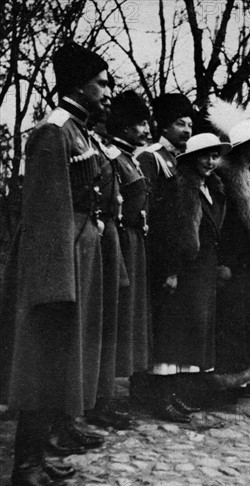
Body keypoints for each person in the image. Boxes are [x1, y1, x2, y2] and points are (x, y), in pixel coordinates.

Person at [0, 41, 110, 486]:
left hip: (75, 255)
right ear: (78, 85)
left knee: (59, 361)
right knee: (40, 361)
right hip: (55, 262)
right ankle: (25, 465)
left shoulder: (80, 131)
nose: (107, 92)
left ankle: (40, 456)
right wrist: (55, 283)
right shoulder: (54, 132)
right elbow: (46, 212)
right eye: (101, 84)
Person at [151, 133, 229, 410]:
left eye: (215, 156)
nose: (211, 161)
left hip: (204, 268)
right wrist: (171, 271)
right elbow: (169, 233)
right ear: (192, 158)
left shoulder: (213, 188)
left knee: (193, 329)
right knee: (173, 331)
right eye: (206, 156)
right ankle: (162, 397)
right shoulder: (178, 187)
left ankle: (179, 394)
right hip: (183, 268)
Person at [207, 101, 250, 394]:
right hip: (233, 256)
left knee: (248, 316)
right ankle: (226, 378)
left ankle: (248, 374)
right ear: (241, 145)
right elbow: (221, 222)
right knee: (230, 317)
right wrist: (225, 261)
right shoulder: (224, 172)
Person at [136, 93, 194, 422]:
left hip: (177, 256)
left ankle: (167, 392)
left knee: (172, 327)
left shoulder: (180, 160)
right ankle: (152, 394)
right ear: (163, 126)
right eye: (178, 123)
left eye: (188, 124)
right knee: (158, 326)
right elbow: (153, 217)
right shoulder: (152, 158)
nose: (185, 130)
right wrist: (166, 266)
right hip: (158, 256)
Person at [100, 90, 152, 427]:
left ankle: (105, 397)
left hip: (134, 244)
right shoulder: (113, 156)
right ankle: (99, 400)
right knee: (111, 322)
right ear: (125, 126)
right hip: (117, 241)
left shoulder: (131, 157)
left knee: (126, 323)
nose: (147, 130)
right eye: (141, 124)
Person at [85, 84, 133, 431]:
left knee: (106, 326)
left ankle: (100, 400)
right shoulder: (73, 137)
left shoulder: (103, 147)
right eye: (101, 85)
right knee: (93, 327)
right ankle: (87, 404)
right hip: (96, 238)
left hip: (107, 238)